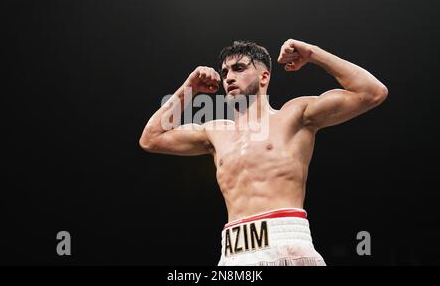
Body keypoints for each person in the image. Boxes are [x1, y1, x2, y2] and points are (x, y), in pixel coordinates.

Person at [139, 39, 388, 266]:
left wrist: (313, 54)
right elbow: (151, 139)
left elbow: (372, 92)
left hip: (286, 240)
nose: (228, 77)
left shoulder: (295, 115)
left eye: (239, 68)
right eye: (225, 72)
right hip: (234, 253)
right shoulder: (215, 133)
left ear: (264, 77)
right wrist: (189, 89)